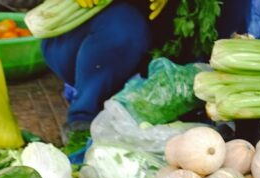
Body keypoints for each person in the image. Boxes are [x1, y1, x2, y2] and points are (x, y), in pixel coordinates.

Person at [40, 0, 248, 145]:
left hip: (164, 36)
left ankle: (197, 100)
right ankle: (83, 114)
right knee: (122, 28)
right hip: (87, 36)